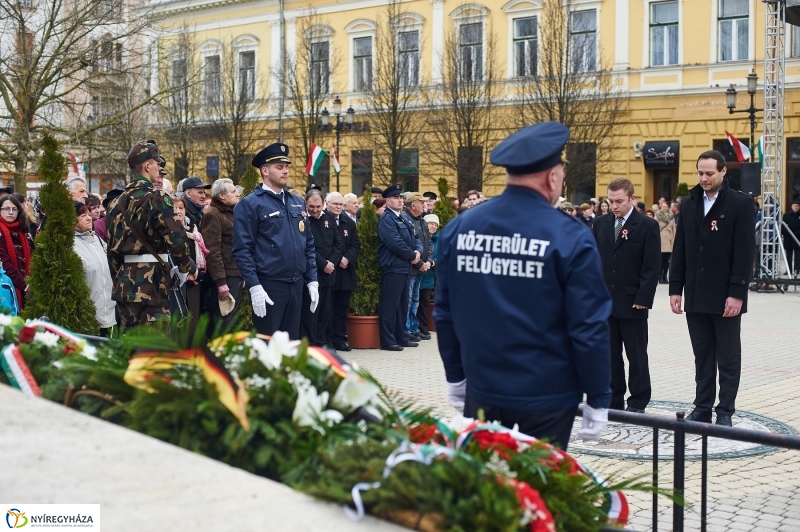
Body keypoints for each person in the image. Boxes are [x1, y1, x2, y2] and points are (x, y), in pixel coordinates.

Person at [435, 122, 612, 449]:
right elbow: (588, 327)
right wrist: (599, 395)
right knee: (536, 495)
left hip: (482, 389)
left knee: (487, 493)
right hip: (547, 397)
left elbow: (445, 312)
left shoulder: (460, 228)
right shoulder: (569, 235)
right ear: (552, 176)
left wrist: (456, 376)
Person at [669, 150, 756, 426]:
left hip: (725, 296)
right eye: (700, 173)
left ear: (723, 172)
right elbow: (680, 248)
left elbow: (744, 254)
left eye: (709, 173)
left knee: (728, 358)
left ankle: (725, 411)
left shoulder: (740, 204)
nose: (704, 178)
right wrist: (675, 288)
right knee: (702, 356)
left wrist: (737, 293)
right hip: (695, 295)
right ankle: (702, 407)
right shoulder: (689, 202)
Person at [106, 141, 196, 328]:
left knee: (130, 348)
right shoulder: (158, 198)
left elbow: (112, 250)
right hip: (152, 285)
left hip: (124, 285)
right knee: (153, 350)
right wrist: (184, 268)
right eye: (157, 164)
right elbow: (177, 240)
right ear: (148, 166)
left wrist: (120, 276)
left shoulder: (115, 203)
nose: (159, 168)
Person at [232, 143, 318, 339]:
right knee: (266, 347)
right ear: (264, 171)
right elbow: (243, 250)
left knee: (290, 346)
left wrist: (312, 280)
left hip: (296, 284)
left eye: (286, 166)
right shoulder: (250, 204)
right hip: (269, 285)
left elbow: (309, 244)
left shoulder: (296, 202)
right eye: (279, 167)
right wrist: (254, 286)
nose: (285, 171)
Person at [592, 178, 660, 413]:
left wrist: (644, 297)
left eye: (619, 201)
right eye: (610, 201)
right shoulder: (600, 224)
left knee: (636, 355)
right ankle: (613, 399)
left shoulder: (647, 226)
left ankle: (638, 400)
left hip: (634, 302)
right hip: (606, 301)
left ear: (631, 198)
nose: (614, 206)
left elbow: (651, 266)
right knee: (610, 355)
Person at [377, 184, 422, 351]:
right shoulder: (387, 219)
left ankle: (401, 336)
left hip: (405, 266)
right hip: (393, 266)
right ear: (387, 201)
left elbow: (415, 236)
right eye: (395, 198)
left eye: (401, 198)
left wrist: (418, 251)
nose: (400, 200)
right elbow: (395, 242)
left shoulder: (403, 217)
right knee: (390, 305)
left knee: (403, 304)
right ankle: (388, 340)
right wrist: (412, 255)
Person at [300, 189, 342, 347]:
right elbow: (305, 246)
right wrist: (323, 264)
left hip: (329, 274)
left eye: (318, 206)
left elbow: (338, 244)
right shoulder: (303, 220)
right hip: (312, 273)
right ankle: (310, 343)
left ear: (323, 203)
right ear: (306, 204)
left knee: (326, 310)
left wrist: (332, 262)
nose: (315, 210)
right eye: (312, 206)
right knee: (311, 311)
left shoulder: (329, 218)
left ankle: (323, 340)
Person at [201, 178, 242, 334]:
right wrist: (220, 281)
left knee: (230, 321)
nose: (237, 193)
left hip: (234, 273)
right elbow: (212, 250)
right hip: (225, 277)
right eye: (233, 191)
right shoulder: (214, 214)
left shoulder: (228, 212)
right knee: (223, 323)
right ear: (222, 196)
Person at [73, 202, 116, 335]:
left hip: (110, 314)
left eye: (88, 214)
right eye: (82, 215)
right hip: (89, 317)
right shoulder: (71, 245)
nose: (88, 218)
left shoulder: (98, 240)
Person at [326, 192, 360, 352]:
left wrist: (348, 258)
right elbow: (325, 245)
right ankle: (328, 340)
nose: (338, 207)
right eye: (335, 204)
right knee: (329, 309)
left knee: (342, 309)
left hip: (345, 273)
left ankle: (339, 340)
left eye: (340, 205)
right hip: (330, 271)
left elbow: (355, 244)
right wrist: (337, 259)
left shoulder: (349, 223)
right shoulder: (323, 220)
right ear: (327, 204)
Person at [404, 192, 432, 341]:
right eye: (421, 203)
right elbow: (409, 246)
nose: (424, 205)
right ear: (413, 205)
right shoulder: (406, 220)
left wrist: (428, 260)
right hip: (411, 267)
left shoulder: (422, 221)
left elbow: (428, 244)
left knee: (416, 300)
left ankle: (415, 328)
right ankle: (407, 329)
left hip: (422, 267)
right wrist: (420, 263)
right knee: (408, 301)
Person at [0, 195, 33, 310]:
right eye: (6, 209)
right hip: (8, 288)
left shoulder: (22, 231)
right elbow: (5, 264)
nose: (10, 212)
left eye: (14, 209)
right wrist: (25, 285)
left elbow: (32, 258)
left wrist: (32, 282)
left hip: (27, 287)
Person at [417, 213, 439, 339]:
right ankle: (414, 328)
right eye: (431, 223)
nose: (433, 226)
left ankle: (423, 328)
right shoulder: (421, 236)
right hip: (418, 271)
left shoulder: (439, 239)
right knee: (414, 302)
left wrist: (433, 261)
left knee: (425, 302)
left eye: (436, 225)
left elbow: (441, 253)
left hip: (430, 274)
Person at [656, 203, 676, 284]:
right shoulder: (657, 216)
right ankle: (660, 276)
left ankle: (665, 276)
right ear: (661, 207)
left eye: (666, 207)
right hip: (661, 240)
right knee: (661, 260)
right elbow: (655, 227)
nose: (665, 208)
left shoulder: (671, 217)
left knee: (667, 261)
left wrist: (674, 241)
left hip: (669, 240)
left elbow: (674, 229)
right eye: (663, 207)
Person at [782, 200, 800, 276]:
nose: (796, 207)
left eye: (797, 206)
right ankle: (788, 270)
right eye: (795, 206)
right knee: (788, 255)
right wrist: (788, 233)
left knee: (798, 256)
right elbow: (783, 226)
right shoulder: (787, 215)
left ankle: (797, 269)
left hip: (798, 238)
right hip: (788, 238)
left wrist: (796, 234)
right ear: (792, 207)